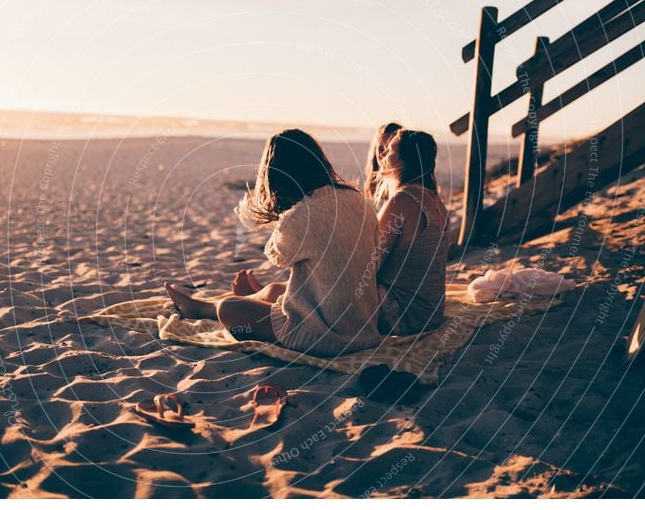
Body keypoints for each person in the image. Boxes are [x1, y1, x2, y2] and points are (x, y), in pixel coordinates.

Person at [164, 128, 382, 356]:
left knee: (230, 309)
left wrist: (286, 215)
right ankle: (202, 306)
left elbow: (277, 255)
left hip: (325, 337)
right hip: (363, 329)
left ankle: (205, 307)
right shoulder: (360, 201)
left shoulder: (301, 215)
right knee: (274, 290)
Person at [370, 128, 448, 335]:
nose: (383, 156)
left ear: (406, 160)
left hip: (402, 315)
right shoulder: (437, 202)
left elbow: (372, 264)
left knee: (289, 292)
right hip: (430, 313)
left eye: (391, 151)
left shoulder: (402, 201)